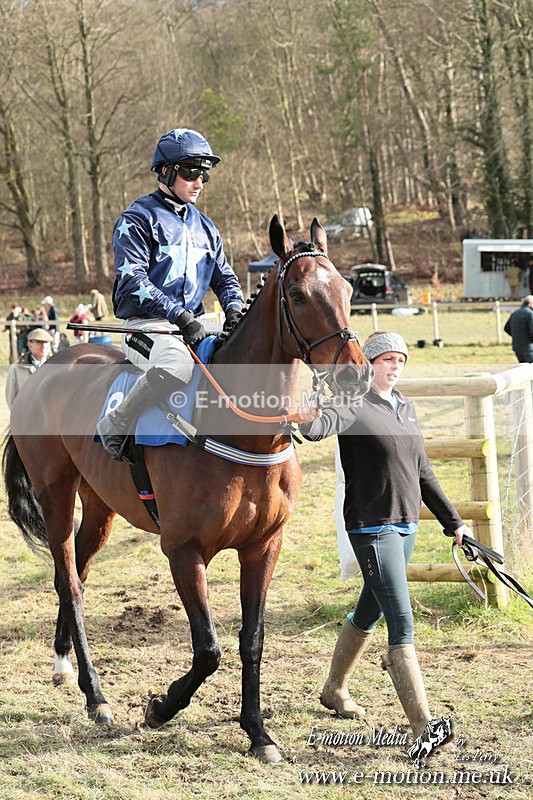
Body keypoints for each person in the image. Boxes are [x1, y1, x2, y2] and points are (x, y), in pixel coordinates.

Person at [298, 331, 471, 741]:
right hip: (372, 527)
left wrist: (455, 522)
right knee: (402, 622)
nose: (395, 366)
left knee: (369, 611)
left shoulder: (404, 406)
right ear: (369, 364)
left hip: (406, 524)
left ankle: (334, 689)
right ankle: (423, 728)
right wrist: (307, 417)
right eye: (387, 359)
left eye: (401, 360)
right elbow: (320, 428)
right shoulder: (352, 403)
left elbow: (422, 470)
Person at [96, 127, 245, 462]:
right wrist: (179, 315)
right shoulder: (137, 218)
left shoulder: (206, 226)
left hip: (196, 324)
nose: (199, 181)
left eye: (204, 174)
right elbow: (132, 278)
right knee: (177, 365)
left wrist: (235, 309)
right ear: (165, 171)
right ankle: (117, 422)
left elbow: (225, 278)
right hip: (147, 327)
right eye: (190, 172)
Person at [5, 327, 54, 409]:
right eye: (39, 342)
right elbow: (11, 398)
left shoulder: (57, 366)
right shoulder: (16, 368)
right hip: (26, 418)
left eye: (46, 342)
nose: (44, 346)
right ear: (30, 345)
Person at [503, 295, 533, 362]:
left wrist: (517, 336)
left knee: (523, 369)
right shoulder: (530, 314)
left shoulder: (515, 313)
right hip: (529, 348)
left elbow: (506, 328)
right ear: (530, 304)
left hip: (517, 347)